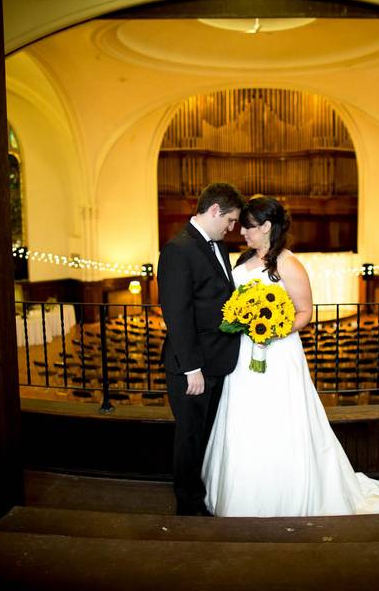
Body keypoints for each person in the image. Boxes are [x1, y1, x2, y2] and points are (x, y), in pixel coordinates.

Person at [202, 195, 379, 516]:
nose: (242, 233)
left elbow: (305, 312)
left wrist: (273, 330)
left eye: (249, 228)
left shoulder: (288, 263)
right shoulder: (241, 262)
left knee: (279, 419)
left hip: (278, 353)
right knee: (244, 416)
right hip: (242, 354)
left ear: (267, 227)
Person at [157, 182, 246, 516]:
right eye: (231, 220)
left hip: (216, 360)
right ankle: (189, 506)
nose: (232, 228)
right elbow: (177, 313)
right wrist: (191, 368)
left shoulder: (217, 247)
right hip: (193, 367)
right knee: (190, 437)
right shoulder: (178, 249)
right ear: (214, 211)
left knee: (205, 435)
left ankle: (201, 493)